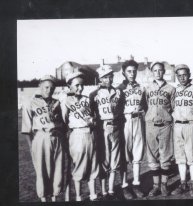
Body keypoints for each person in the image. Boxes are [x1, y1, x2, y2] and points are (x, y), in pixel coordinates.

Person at [21, 75, 64, 202]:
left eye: (52, 88)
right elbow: (26, 128)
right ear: (40, 86)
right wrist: (31, 146)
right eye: (46, 87)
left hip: (56, 137)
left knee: (58, 168)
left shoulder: (56, 102)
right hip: (40, 137)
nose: (49, 90)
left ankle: (55, 196)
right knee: (41, 169)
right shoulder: (31, 102)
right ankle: (43, 198)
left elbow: (61, 123)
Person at [60, 72, 99, 201]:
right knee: (79, 167)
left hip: (90, 133)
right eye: (77, 85)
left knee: (92, 165)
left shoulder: (86, 99)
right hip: (76, 134)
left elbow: (92, 116)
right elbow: (64, 120)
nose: (80, 88)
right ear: (69, 85)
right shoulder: (65, 100)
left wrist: (92, 120)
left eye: (82, 85)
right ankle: (78, 197)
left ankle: (93, 195)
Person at [90, 65, 123, 200]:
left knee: (115, 160)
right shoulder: (94, 94)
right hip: (102, 127)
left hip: (115, 127)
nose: (108, 79)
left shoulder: (118, 92)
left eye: (110, 76)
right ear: (100, 78)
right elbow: (91, 113)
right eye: (105, 77)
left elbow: (121, 110)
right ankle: (103, 190)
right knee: (104, 159)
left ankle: (110, 190)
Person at [144, 61, 175, 197]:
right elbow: (145, 106)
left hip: (165, 125)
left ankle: (164, 185)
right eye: (155, 70)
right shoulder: (147, 88)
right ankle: (155, 185)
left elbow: (173, 107)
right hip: (151, 125)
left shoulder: (171, 88)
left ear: (163, 71)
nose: (158, 73)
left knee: (165, 156)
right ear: (152, 72)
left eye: (160, 70)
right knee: (152, 156)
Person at [117, 60, 147, 199]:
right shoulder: (119, 88)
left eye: (134, 71)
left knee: (138, 152)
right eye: (129, 71)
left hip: (138, 120)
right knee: (124, 155)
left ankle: (136, 184)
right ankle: (124, 186)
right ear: (123, 72)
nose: (132, 73)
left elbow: (145, 106)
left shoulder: (141, 87)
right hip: (125, 121)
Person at [171, 64, 193, 197]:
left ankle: (192, 184)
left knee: (191, 155)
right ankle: (183, 183)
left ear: (189, 75)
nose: (182, 78)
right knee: (180, 156)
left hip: (190, 124)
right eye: (179, 75)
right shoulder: (175, 90)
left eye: (184, 75)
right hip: (177, 126)